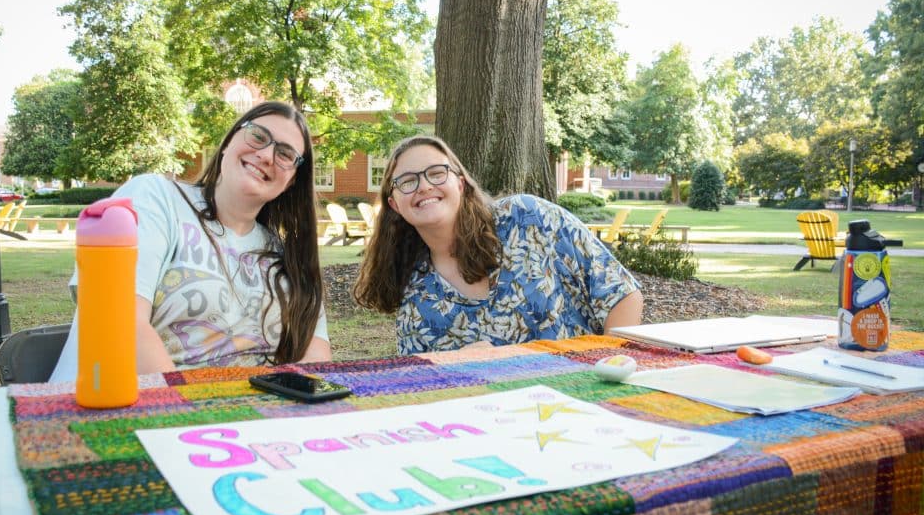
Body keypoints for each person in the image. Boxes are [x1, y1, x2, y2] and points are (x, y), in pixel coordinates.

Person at [49, 101, 330, 381]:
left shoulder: (288, 257)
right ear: (229, 141)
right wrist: (188, 409)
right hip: (121, 411)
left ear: (292, 180)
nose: (267, 155)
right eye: (258, 136)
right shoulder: (156, 198)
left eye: (285, 154)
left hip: (239, 418)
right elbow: (116, 316)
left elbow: (316, 353)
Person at [353, 135, 643, 354]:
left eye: (437, 173)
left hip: (583, 400)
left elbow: (621, 294)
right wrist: (458, 363)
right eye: (407, 181)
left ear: (461, 183)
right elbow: (426, 387)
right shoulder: (415, 296)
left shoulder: (529, 218)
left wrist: (609, 366)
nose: (424, 186)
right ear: (394, 205)